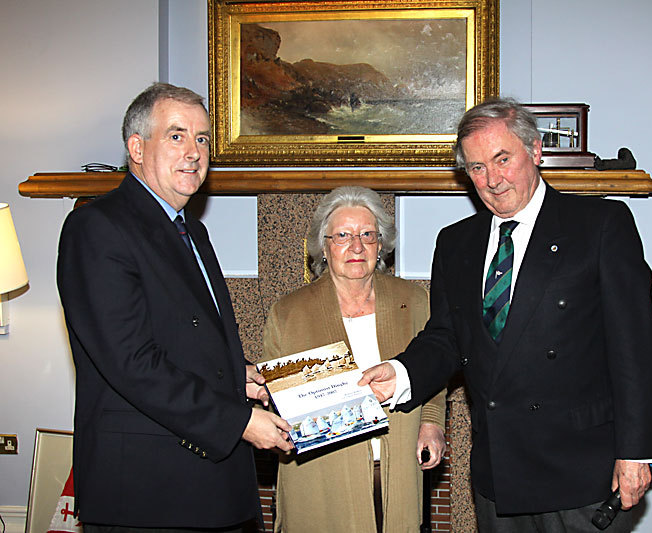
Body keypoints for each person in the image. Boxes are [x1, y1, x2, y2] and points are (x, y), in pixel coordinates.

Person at [359, 98, 652, 533]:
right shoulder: (455, 242)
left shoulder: (600, 224)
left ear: (535, 151)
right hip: (499, 474)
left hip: (583, 472)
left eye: (503, 159)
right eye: (477, 168)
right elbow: (447, 336)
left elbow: (636, 347)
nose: (492, 180)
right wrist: (401, 372)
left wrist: (637, 452)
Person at [56, 82, 293, 532]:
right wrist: (239, 421)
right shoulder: (96, 227)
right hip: (148, 493)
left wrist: (234, 369)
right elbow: (131, 362)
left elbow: (181, 334)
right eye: (177, 135)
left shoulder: (190, 231)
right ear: (136, 147)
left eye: (202, 139)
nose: (194, 152)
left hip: (214, 488)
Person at [260, 186, 447, 533]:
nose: (356, 246)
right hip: (322, 483)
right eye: (343, 235)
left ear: (381, 244)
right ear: (324, 246)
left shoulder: (415, 301)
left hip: (398, 475)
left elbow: (434, 371)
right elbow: (272, 405)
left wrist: (432, 423)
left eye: (367, 235)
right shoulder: (288, 314)